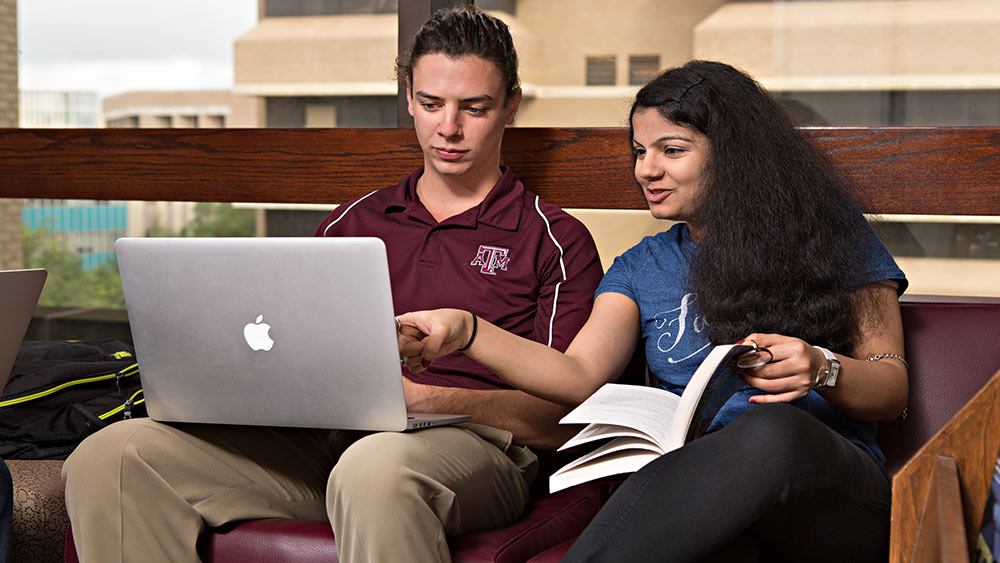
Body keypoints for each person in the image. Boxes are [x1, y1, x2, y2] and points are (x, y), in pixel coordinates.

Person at [61, 7, 603, 563]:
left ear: (510, 105)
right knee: (113, 456)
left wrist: (425, 401)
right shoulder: (352, 224)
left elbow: (561, 420)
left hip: (476, 451)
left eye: (475, 108)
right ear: (409, 99)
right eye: (433, 103)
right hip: (328, 445)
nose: (449, 128)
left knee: (374, 471)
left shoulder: (554, 240)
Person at [397, 60, 909, 562]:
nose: (647, 169)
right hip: (707, 500)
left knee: (771, 429)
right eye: (640, 151)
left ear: (734, 155)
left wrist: (822, 368)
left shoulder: (831, 235)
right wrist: (468, 330)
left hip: (829, 496)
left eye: (672, 150)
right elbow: (577, 376)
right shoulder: (642, 268)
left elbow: (891, 387)